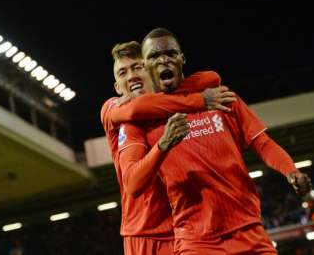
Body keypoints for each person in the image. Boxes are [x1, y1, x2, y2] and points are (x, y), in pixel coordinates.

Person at [117, 28, 312, 255]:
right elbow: (133, 185)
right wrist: (163, 145)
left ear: (182, 58)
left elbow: (262, 142)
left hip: (248, 231)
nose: (163, 60)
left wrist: (291, 171)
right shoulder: (140, 119)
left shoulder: (220, 97)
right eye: (154, 56)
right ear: (147, 65)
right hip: (197, 242)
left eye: (170, 53)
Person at [100, 41, 236, 255]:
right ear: (117, 87)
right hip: (146, 234)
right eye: (123, 73)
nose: (131, 76)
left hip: (190, 229)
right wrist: (200, 100)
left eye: (137, 67)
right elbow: (136, 109)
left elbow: (211, 77)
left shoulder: (172, 100)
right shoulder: (115, 110)